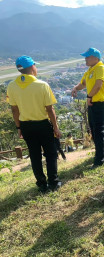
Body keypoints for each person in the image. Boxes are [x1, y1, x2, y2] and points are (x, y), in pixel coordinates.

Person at [7, 55, 62, 192]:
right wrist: (55, 127)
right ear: (32, 67)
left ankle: (42, 184)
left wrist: (19, 127)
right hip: (43, 125)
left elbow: (15, 110)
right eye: (35, 66)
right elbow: (50, 109)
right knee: (50, 154)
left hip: (26, 126)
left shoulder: (12, 86)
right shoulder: (42, 85)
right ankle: (53, 182)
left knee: (35, 155)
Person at [71, 47, 104, 168]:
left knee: (99, 131)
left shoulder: (100, 68)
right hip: (92, 104)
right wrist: (76, 88)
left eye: (88, 57)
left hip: (99, 104)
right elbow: (83, 84)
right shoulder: (90, 70)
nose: (85, 59)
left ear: (96, 58)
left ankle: (99, 160)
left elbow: (98, 85)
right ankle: (102, 153)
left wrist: (89, 96)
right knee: (94, 130)